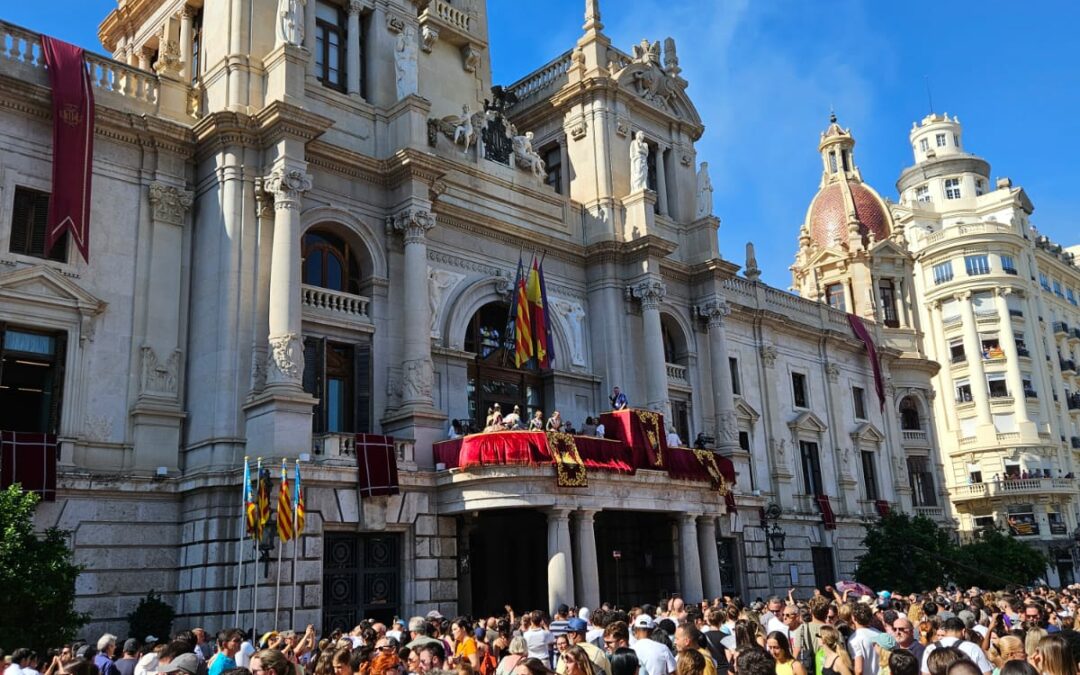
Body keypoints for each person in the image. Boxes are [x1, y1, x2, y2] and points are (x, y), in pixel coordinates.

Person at [919, 619, 991, 675]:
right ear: (963, 631)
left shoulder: (930, 649)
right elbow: (986, 673)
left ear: (945, 631)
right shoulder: (973, 648)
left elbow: (926, 673)